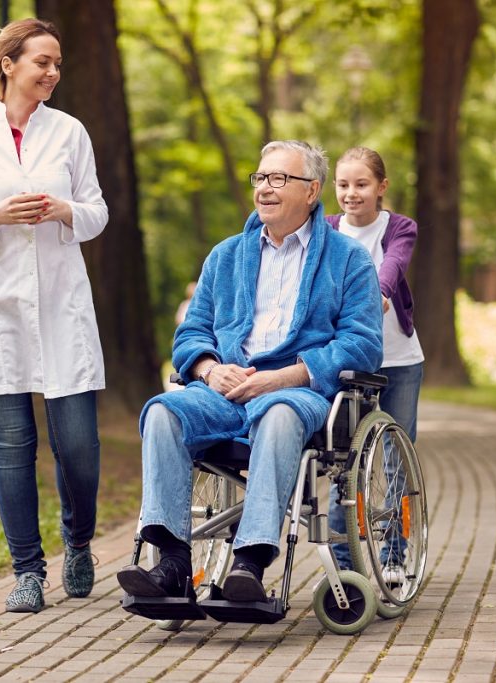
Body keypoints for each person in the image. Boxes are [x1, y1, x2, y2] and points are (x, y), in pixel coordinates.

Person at [117, 140, 383, 602]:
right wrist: (207, 368)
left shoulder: (347, 259)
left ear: (312, 191)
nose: (265, 188)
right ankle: (172, 563)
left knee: (279, 413)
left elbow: (363, 343)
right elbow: (192, 331)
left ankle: (249, 564)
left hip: (296, 390)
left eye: (279, 178)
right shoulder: (225, 256)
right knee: (163, 411)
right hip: (224, 388)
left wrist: (288, 376)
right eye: (260, 178)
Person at [0, 18, 108, 614]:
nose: (53, 73)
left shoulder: (70, 132)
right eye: (43, 62)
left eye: (58, 64)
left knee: (78, 447)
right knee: (11, 447)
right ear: (8, 63)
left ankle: (78, 543)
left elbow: (98, 212)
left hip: (61, 305)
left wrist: (63, 210)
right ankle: (27, 570)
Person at [326, 147, 424, 578]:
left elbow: (392, 267)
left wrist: (377, 298)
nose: (351, 193)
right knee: (342, 459)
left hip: (398, 361)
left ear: (381, 187)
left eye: (361, 184)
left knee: (394, 460)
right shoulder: (325, 229)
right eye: (343, 185)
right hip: (347, 364)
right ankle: (346, 565)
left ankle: (393, 555)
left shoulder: (399, 227)